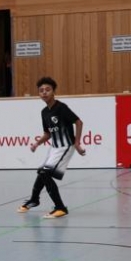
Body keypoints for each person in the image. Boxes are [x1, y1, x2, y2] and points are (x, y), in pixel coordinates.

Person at [17, 77, 86, 219]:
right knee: (42, 173)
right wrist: (37, 143)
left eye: (47, 89)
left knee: (45, 173)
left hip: (66, 146)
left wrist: (77, 143)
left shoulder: (61, 107)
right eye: (41, 90)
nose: (44, 92)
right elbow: (48, 133)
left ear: (54, 91)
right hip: (55, 148)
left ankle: (60, 208)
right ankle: (34, 200)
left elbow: (79, 122)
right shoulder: (44, 112)